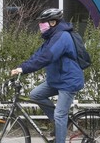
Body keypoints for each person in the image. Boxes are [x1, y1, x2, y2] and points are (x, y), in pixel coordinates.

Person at [11, 8, 84, 143]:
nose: (41, 25)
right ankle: (61, 122)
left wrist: (24, 69)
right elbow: (38, 55)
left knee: (59, 114)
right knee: (35, 95)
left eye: (43, 22)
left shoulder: (62, 36)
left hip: (68, 81)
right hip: (57, 79)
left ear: (52, 22)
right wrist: (21, 67)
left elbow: (46, 57)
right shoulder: (52, 37)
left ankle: (60, 130)